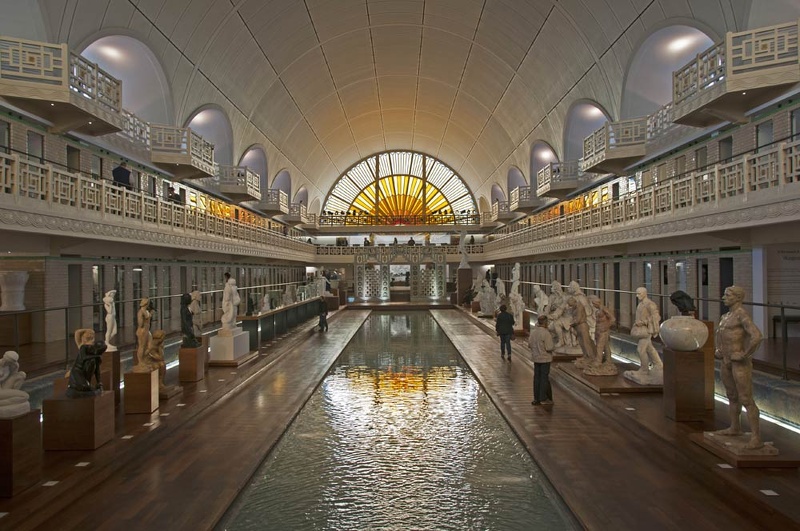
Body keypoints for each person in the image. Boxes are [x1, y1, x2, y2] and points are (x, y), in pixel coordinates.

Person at [714, 285, 764, 449]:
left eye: (727, 295)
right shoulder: (726, 316)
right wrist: (718, 349)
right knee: (731, 395)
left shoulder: (741, 315)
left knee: (746, 398)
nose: (724, 298)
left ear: (737, 298)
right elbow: (721, 336)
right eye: (724, 295)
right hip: (726, 360)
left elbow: (756, 336)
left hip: (739, 361)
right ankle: (735, 427)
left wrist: (745, 354)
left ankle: (756, 437)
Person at [624, 287, 662, 381]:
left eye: (639, 294)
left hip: (646, 330)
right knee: (650, 348)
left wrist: (644, 321)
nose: (637, 296)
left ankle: (644, 370)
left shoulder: (650, 304)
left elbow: (656, 317)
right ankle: (659, 364)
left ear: (645, 293)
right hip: (642, 329)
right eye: (637, 294)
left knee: (641, 349)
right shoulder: (641, 304)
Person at [530, 315, 554, 405]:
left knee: (537, 378)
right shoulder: (546, 333)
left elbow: (530, 344)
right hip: (545, 358)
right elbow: (549, 347)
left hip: (536, 358)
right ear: (545, 322)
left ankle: (536, 398)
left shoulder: (533, 332)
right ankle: (543, 398)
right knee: (544, 378)